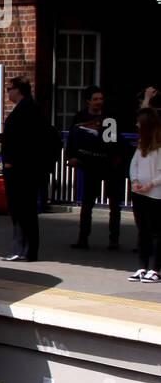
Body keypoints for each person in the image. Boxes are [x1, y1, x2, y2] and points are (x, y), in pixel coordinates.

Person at [66, 86, 126, 250]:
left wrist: (116, 158)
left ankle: (114, 239)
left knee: (114, 205)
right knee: (87, 204)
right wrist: (71, 156)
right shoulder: (80, 117)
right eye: (96, 99)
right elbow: (72, 138)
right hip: (89, 164)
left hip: (109, 165)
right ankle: (83, 238)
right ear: (88, 101)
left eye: (101, 99)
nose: (99, 102)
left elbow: (113, 142)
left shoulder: (109, 118)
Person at [0, 77, 44, 261]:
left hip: (21, 170)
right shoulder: (28, 108)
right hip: (23, 168)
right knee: (22, 210)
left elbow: (25, 140)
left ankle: (23, 250)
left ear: (19, 89)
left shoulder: (27, 109)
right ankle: (24, 249)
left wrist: (11, 160)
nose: (8, 92)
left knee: (22, 210)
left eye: (9, 89)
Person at [128, 107, 161, 282]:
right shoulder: (141, 144)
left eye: (139, 121)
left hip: (156, 194)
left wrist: (151, 184)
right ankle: (142, 266)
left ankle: (156, 268)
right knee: (143, 230)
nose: (136, 124)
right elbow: (134, 164)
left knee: (156, 231)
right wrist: (135, 181)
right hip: (139, 192)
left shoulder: (159, 146)